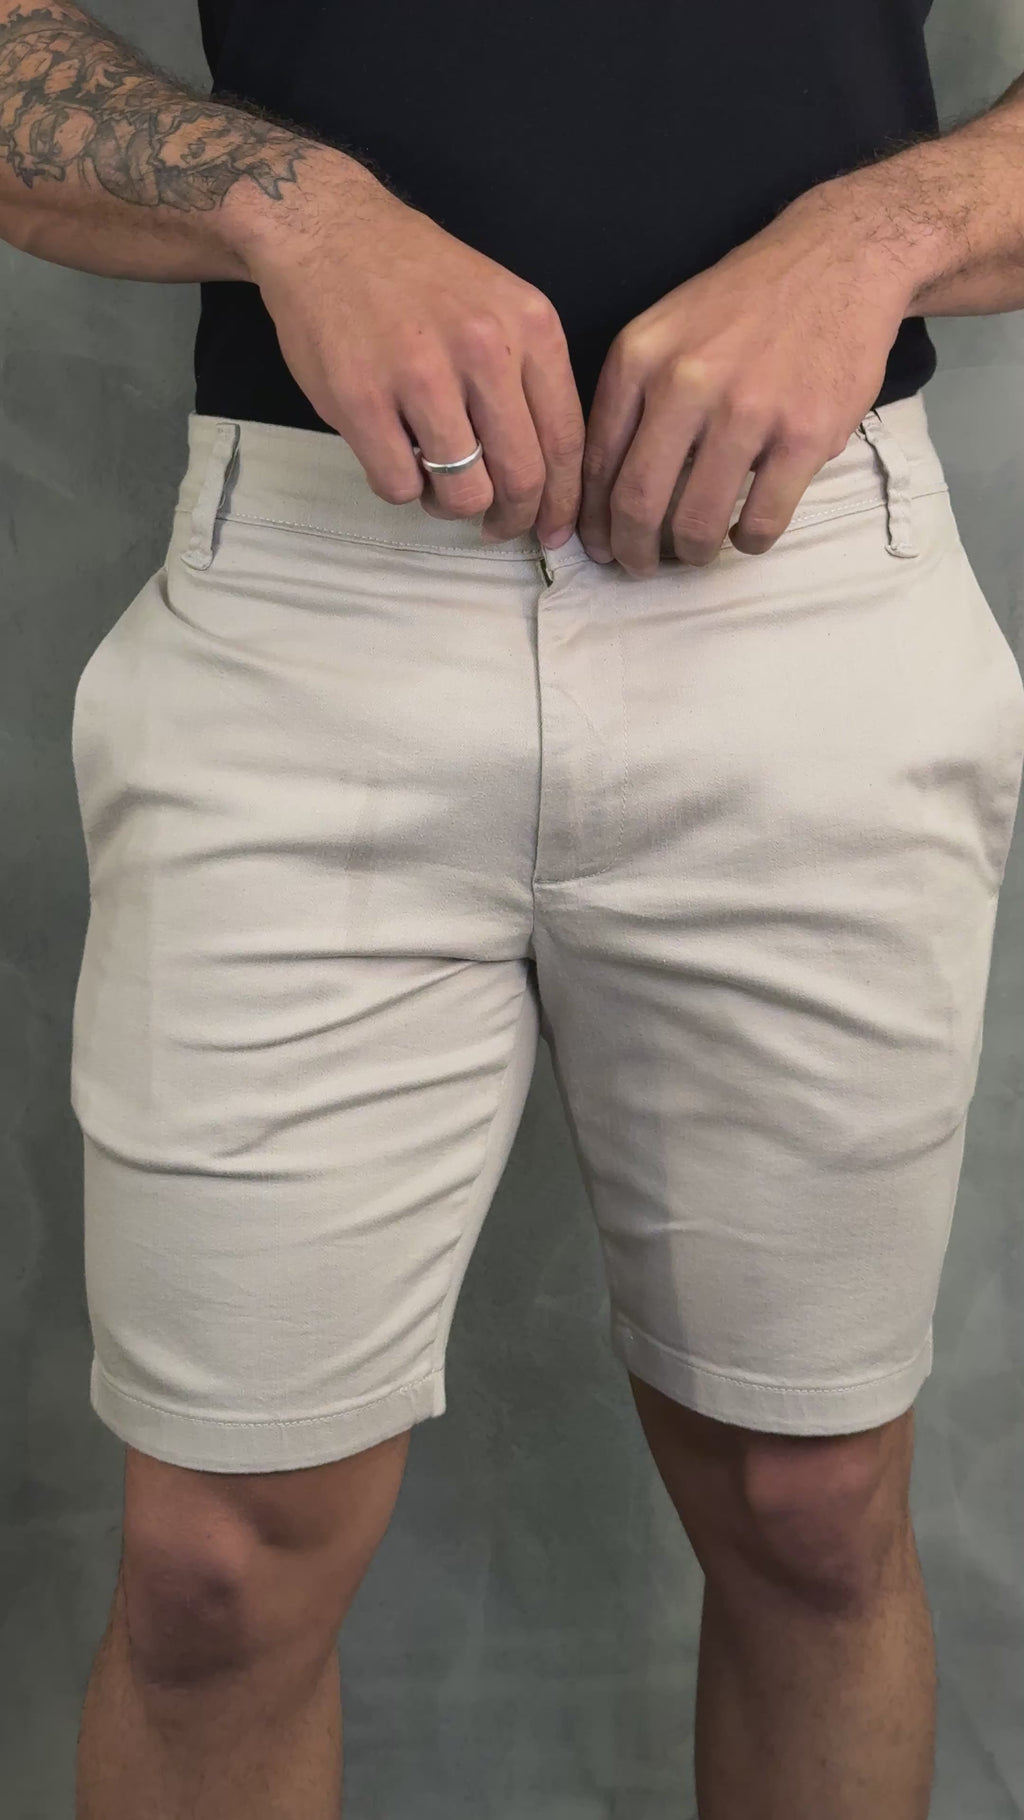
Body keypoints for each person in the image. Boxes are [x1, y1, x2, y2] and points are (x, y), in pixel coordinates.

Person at [2, 1, 1023, 1814]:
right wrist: (296, 211)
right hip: (311, 605)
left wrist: (875, 238)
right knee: (215, 1572)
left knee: (809, 1509)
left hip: (794, 587)